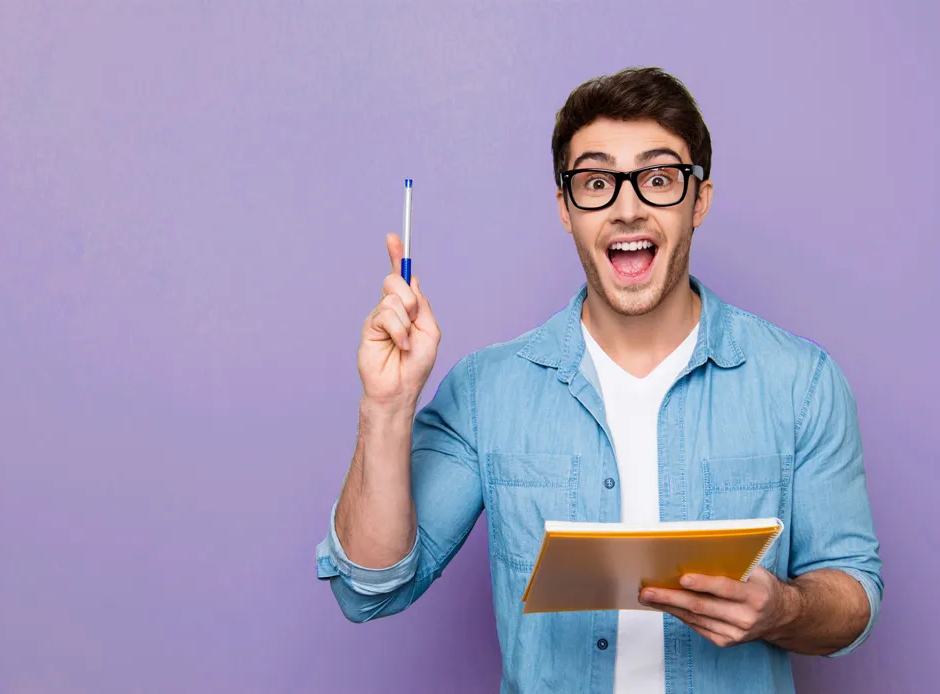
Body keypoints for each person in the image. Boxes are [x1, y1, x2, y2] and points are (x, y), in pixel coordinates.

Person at [315, 66, 883, 694]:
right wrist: (386, 407)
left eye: (660, 178)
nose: (628, 206)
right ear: (566, 209)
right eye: (596, 183)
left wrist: (785, 609)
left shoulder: (800, 382)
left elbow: (852, 595)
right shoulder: (487, 391)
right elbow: (367, 589)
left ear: (701, 200)